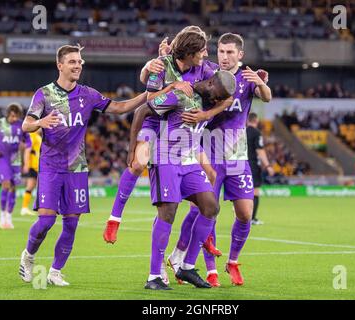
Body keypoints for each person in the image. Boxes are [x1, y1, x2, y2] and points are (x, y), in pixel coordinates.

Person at [18, 44, 147, 286]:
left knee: (71, 223)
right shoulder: (43, 94)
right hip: (50, 167)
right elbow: (26, 125)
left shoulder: (88, 94)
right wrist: (41, 122)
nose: (78, 65)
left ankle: (56, 271)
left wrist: (148, 95)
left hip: (77, 169)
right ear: (60, 65)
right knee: (46, 221)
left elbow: (118, 108)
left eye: (79, 62)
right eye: (72, 62)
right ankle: (28, 256)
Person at [166, 33, 272, 287]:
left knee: (245, 214)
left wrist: (262, 83)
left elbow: (266, 97)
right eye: (221, 52)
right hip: (210, 155)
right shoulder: (208, 71)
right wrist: (167, 53)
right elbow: (182, 65)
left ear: (240, 55)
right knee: (203, 210)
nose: (224, 57)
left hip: (237, 157)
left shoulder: (247, 79)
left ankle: (232, 262)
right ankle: (193, 264)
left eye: (229, 53)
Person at [103, 28, 228, 245]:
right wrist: (170, 84)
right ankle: (115, 218)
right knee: (138, 163)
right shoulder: (162, 63)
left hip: (181, 130)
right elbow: (149, 99)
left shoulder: (203, 68)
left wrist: (206, 114)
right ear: (190, 51)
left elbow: (225, 87)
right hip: (154, 123)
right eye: (203, 50)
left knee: (211, 174)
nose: (207, 54)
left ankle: (205, 230)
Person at [127, 70, 236, 290]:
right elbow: (141, 111)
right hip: (165, 158)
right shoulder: (180, 94)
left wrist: (208, 113)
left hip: (188, 161)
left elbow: (230, 99)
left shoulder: (209, 102)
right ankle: (153, 276)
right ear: (211, 82)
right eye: (217, 94)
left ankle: (186, 266)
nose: (217, 100)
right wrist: (132, 150)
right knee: (168, 212)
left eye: (220, 99)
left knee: (211, 207)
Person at [0, 103, 32, 228]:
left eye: (16, 116)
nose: (14, 119)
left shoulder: (21, 125)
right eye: (12, 116)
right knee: (6, 183)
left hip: (15, 158)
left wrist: (26, 148)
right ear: (7, 114)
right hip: (2, 158)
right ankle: (2, 215)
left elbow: (28, 141)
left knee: (13, 187)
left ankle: (9, 216)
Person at [247, 113, 274, 225]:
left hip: (240, 164)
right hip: (253, 165)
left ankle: (240, 215)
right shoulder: (257, 133)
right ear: (256, 121)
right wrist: (268, 166)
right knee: (255, 192)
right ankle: (252, 218)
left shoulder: (241, 131)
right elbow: (260, 150)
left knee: (243, 192)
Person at [20, 129, 42, 216]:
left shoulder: (38, 137)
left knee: (33, 186)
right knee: (33, 185)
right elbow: (27, 150)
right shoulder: (32, 135)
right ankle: (26, 207)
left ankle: (26, 207)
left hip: (38, 165)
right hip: (34, 165)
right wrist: (26, 164)